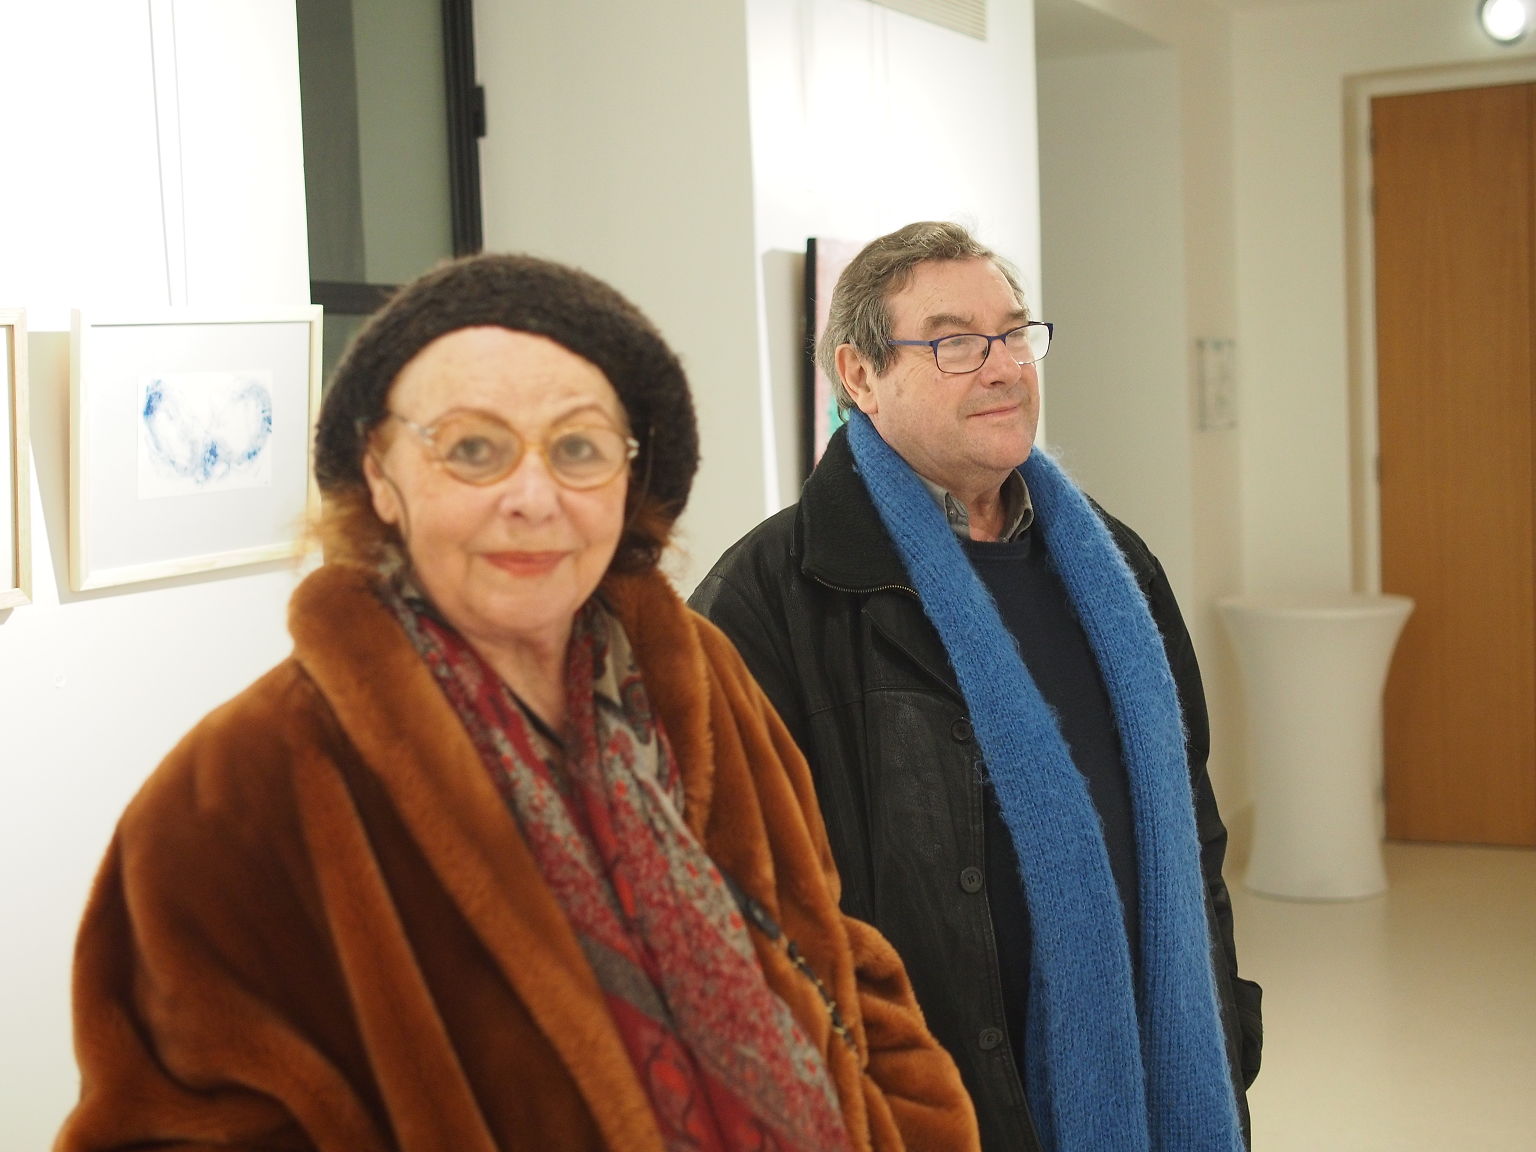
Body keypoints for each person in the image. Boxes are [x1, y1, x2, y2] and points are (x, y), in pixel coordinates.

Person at [56, 253, 981, 1152]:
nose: (533, 498)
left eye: (577, 448)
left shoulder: (696, 679)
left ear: (630, 476)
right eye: (472, 449)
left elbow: (834, 958)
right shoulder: (237, 789)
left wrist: (913, 1120)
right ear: (379, 473)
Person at [689, 221, 1263, 1152]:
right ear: (861, 375)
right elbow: (725, 899)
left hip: (1161, 1078)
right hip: (916, 1103)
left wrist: (1226, 1020)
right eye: (955, 343)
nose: (1003, 369)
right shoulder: (773, 595)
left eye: (1014, 333)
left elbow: (1189, 824)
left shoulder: (1115, 565)